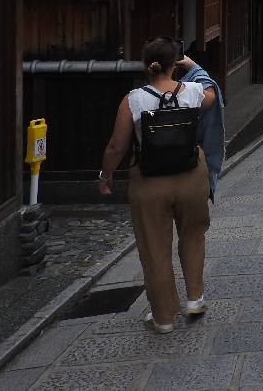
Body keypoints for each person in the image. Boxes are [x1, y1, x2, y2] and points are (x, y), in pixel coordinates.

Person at [98, 40, 217, 334]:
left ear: (145, 65)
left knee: (155, 247)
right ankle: (195, 298)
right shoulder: (194, 92)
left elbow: (117, 146)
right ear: (173, 64)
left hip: (150, 180)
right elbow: (213, 91)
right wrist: (192, 66)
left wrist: (106, 175)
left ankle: (163, 317)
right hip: (190, 175)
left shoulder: (133, 100)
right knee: (193, 234)